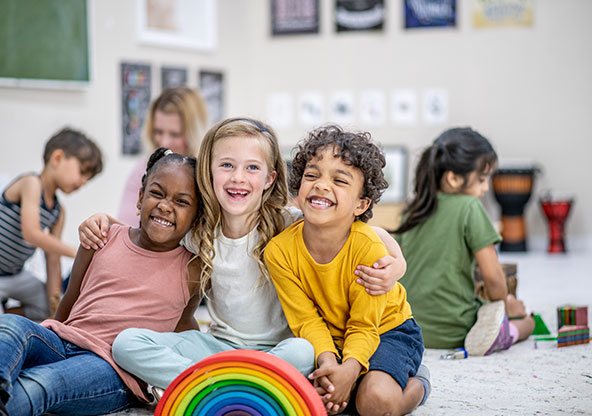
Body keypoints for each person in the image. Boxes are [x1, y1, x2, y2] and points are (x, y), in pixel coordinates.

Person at [79, 117, 406, 399]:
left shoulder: (288, 222)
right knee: (126, 343)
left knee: (305, 351)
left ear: (269, 179)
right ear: (208, 173)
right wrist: (105, 223)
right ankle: (225, 383)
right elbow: (151, 230)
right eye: (226, 166)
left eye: (252, 168)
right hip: (218, 347)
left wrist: (398, 264)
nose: (238, 177)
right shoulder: (197, 232)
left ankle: (210, 383)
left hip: (279, 350)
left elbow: (369, 234)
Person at [0, 148, 201, 416]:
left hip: (113, 370)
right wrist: (48, 333)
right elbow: (69, 301)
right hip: (62, 342)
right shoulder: (102, 237)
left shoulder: (194, 269)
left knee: (43, 382)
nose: (165, 205)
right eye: (157, 193)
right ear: (140, 198)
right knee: (9, 325)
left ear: (197, 216)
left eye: (182, 201)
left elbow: (185, 327)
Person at [264, 125, 429, 416]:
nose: (321, 185)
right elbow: (306, 321)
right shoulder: (278, 251)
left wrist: (350, 369)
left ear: (361, 204)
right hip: (330, 336)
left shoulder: (368, 247)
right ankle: (356, 378)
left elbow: (364, 326)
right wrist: (329, 363)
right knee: (314, 401)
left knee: (375, 403)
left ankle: (418, 383)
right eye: (311, 175)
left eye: (339, 180)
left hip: (387, 331)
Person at [394, 127, 535, 355]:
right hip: (457, 331)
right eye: (481, 179)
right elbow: (493, 278)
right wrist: (505, 306)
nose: (486, 187)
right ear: (453, 178)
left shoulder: (411, 210)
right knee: (527, 321)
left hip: (408, 327)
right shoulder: (469, 207)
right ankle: (514, 327)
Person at [0, 127, 102, 320]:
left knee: (45, 307)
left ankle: (7, 314)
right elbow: (31, 234)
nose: (83, 182)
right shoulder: (31, 183)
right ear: (57, 158)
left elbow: (53, 260)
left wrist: (55, 310)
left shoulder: (57, 211)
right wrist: (77, 252)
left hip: (15, 275)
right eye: (82, 172)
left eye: (87, 179)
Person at [118, 86, 209, 226]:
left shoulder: (211, 175)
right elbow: (125, 226)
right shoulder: (143, 170)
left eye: (175, 134)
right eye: (158, 132)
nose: (164, 142)